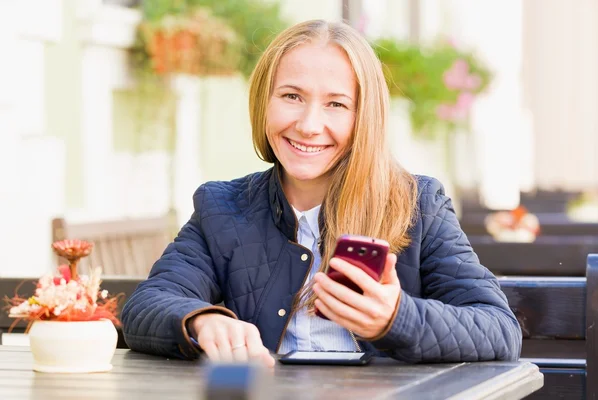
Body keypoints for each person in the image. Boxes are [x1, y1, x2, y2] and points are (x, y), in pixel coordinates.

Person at [121, 19, 522, 367]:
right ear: (264, 101)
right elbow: (147, 305)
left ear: (364, 117)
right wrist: (201, 321)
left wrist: (396, 319)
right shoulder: (221, 208)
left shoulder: (419, 204)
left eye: (336, 104)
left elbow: (498, 329)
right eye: (292, 97)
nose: (310, 125)